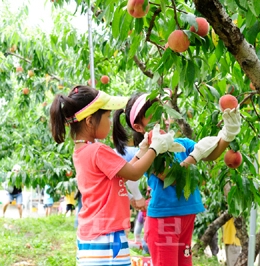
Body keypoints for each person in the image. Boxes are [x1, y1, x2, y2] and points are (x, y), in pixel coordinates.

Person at [49, 85, 179, 265]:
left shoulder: (81, 151)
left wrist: (142, 151)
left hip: (92, 235)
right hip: (107, 237)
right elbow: (134, 174)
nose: (110, 122)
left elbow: (122, 174)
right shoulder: (98, 150)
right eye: (107, 116)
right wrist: (155, 148)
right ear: (89, 121)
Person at [112, 92, 241, 266]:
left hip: (185, 217)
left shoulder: (181, 143)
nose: (161, 118)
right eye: (153, 114)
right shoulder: (149, 153)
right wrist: (194, 157)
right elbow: (171, 177)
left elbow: (213, 153)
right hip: (164, 222)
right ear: (138, 127)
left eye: (162, 111)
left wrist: (228, 133)